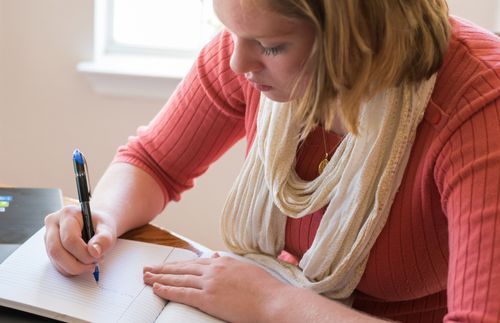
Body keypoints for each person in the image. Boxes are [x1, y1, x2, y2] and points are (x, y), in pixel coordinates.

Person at [44, 0, 500, 321]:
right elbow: (154, 161)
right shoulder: (245, 49)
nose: (239, 62)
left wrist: (273, 305)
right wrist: (100, 216)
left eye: (272, 46)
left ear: (357, 39)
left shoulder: (481, 108)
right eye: (230, 32)